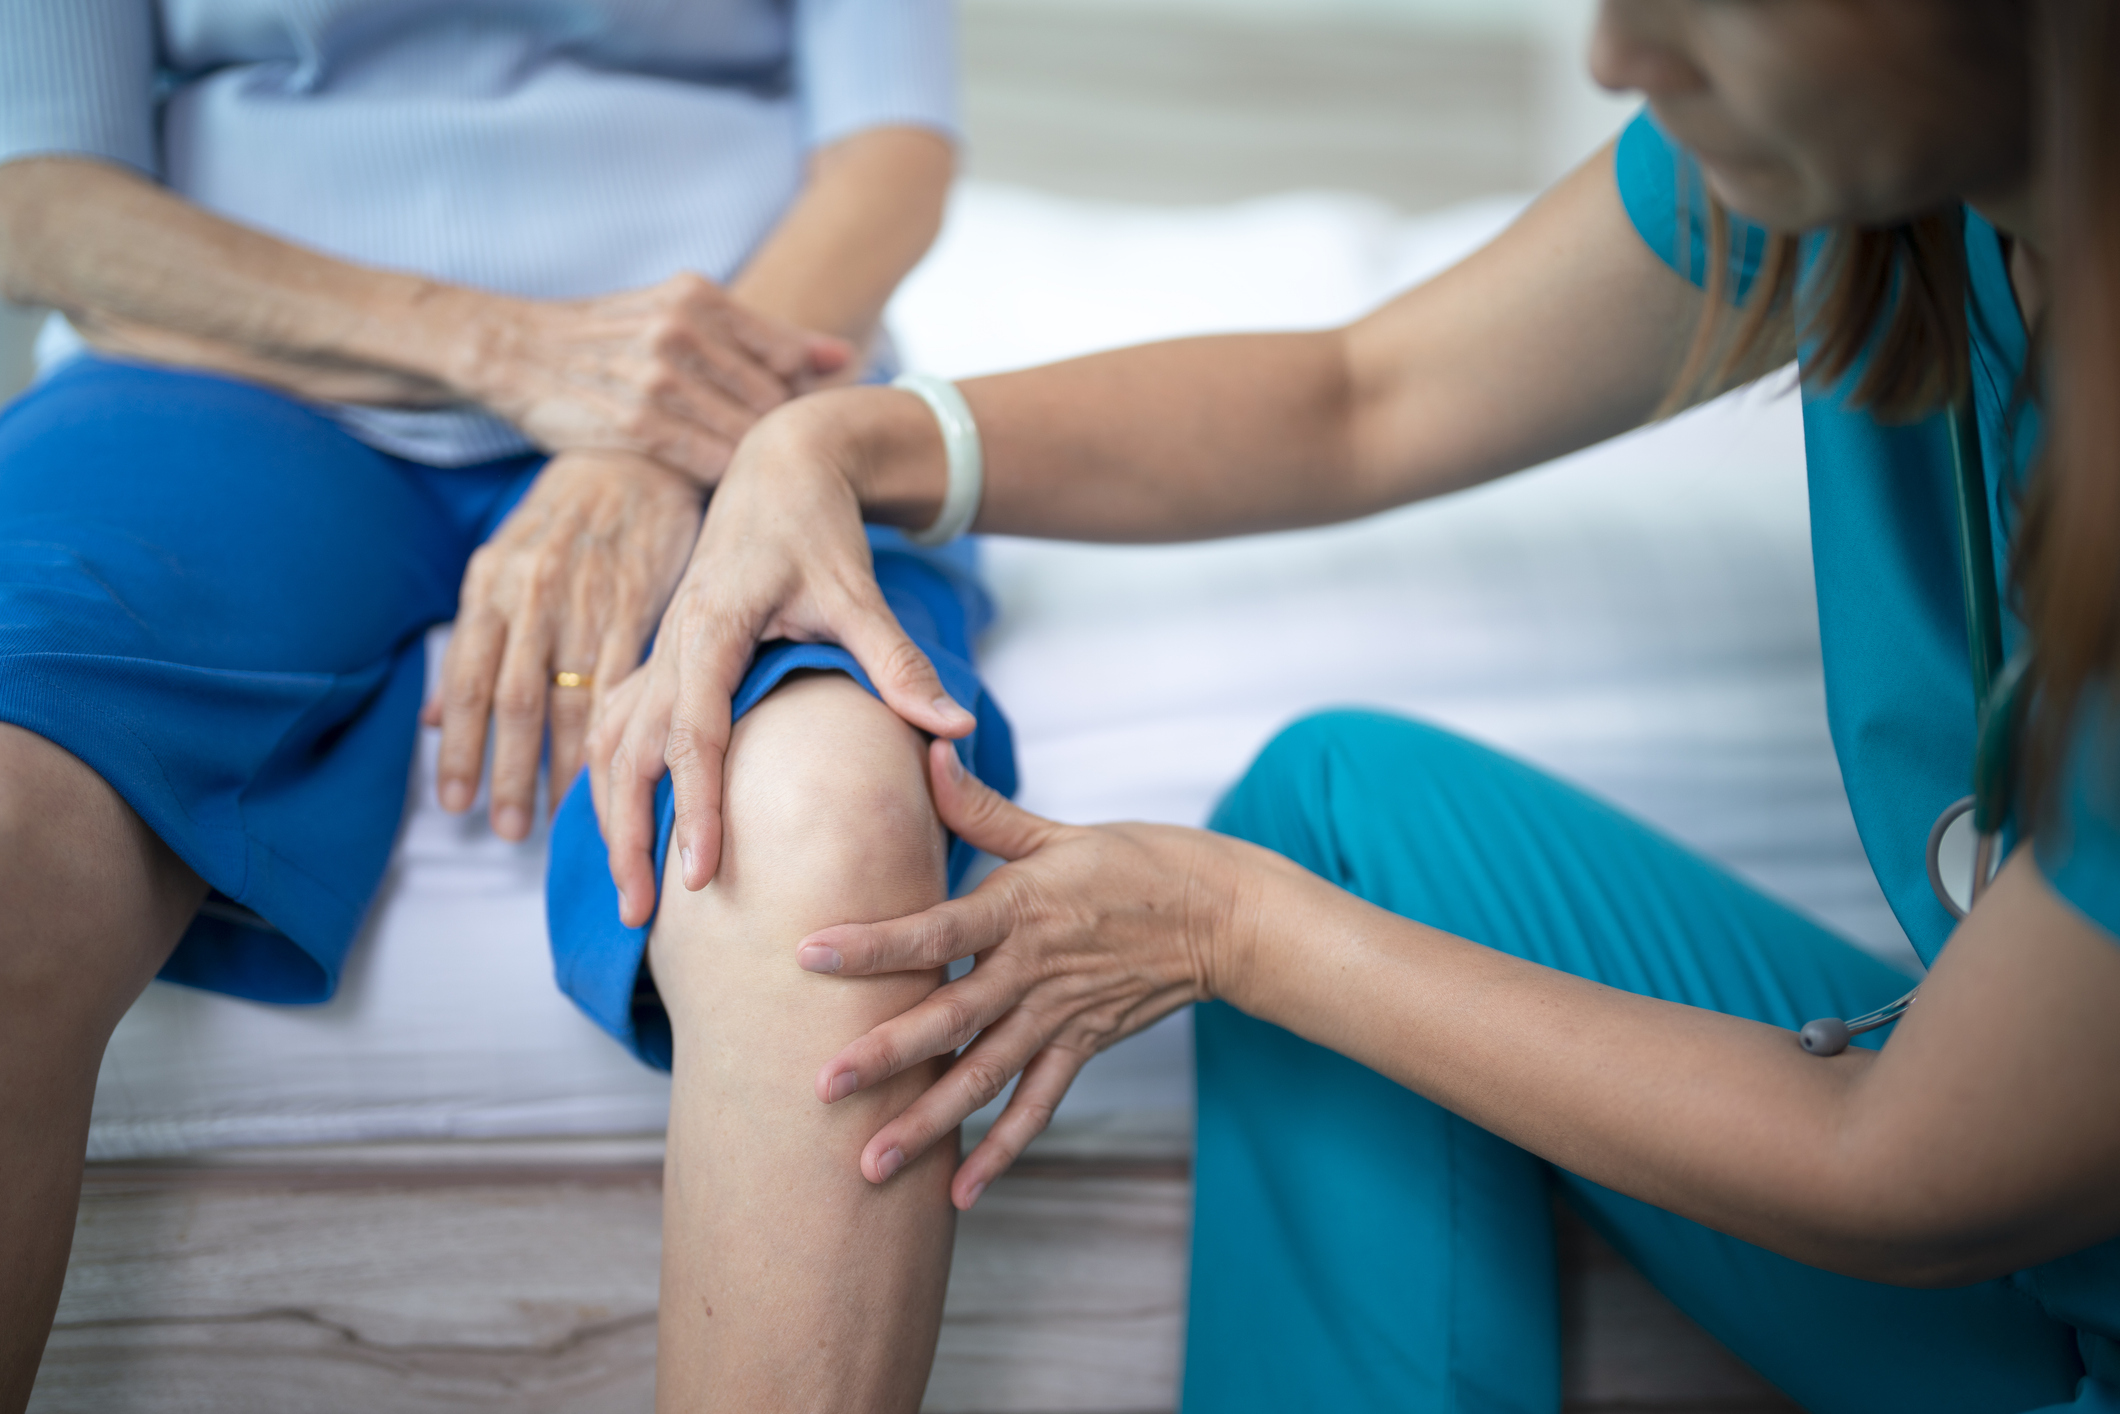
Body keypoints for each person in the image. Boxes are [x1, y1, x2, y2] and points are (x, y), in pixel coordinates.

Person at [588, 1, 2120, 1409]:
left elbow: (1906, 1171)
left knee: (1297, 914)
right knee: (1340, 814)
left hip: (1958, 1195)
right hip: (2049, 1262)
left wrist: (1237, 931)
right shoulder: (1874, 177)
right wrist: (846, 444)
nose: (1615, 56)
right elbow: (1363, 394)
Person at [0, 3, 1015, 1411]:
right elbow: (36, 194)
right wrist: (508, 349)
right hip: (218, 375)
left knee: (830, 831)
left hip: (748, 388)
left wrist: (661, 439)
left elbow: (888, 149)